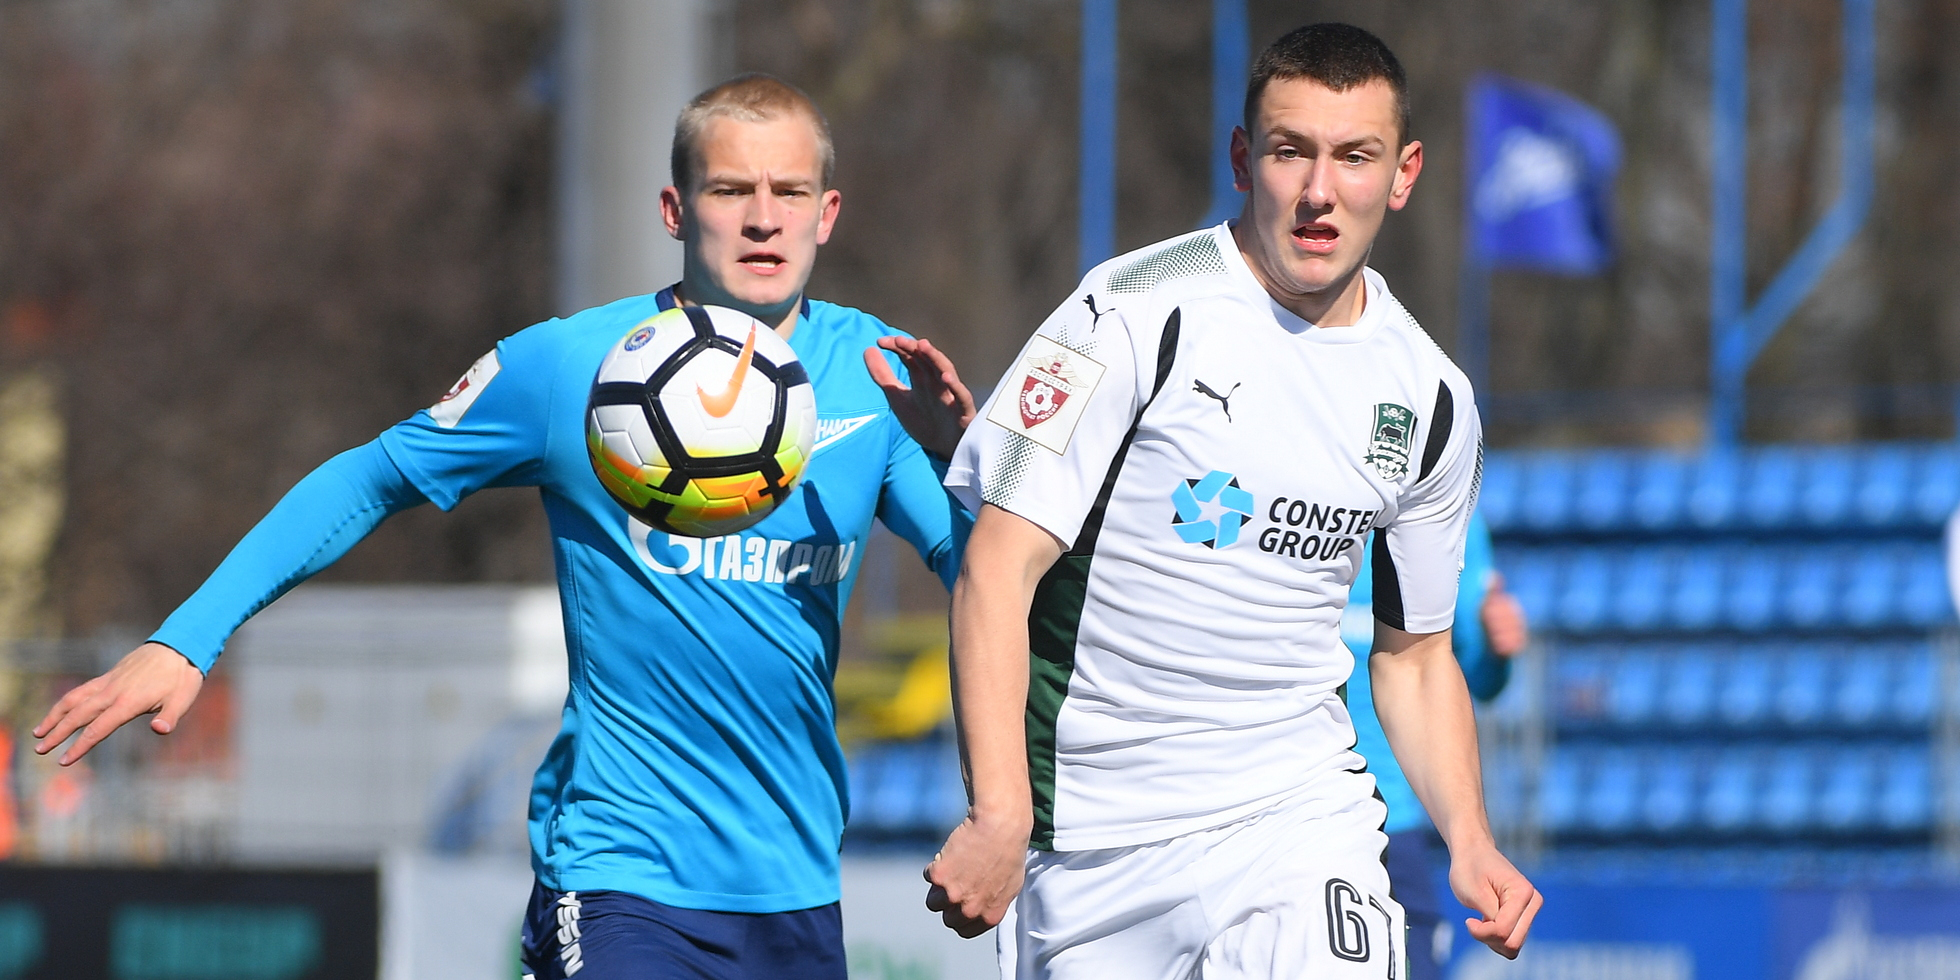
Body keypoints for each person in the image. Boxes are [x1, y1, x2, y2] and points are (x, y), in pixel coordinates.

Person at [32, 74, 975, 980]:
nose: (763, 217)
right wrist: (189, 638)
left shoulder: (879, 378)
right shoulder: (570, 367)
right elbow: (372, 476)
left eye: (789, 191)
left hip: (796, 891)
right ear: (674, 210)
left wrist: (956, 463)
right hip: (617, 879)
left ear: (827, 213)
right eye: (731, 189)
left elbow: (982, 582)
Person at [926, 23, 1540, 978]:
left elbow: (1416, 657)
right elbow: (997, 567)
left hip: (1299, 821)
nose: (1320, 190)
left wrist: (1470, 836)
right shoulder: (1128, 312)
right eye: (1293, 151)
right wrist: (999, 810)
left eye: (1356, 156)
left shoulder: (1431, 398)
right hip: (1094, 844)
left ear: (1404, 173)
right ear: (1245, 158)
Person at [1343, 512, 1529, 979]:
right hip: (1276, 807)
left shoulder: (1449, 513)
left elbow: (1469, 676)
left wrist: (1495, 651)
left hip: (1392, 819)